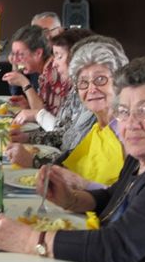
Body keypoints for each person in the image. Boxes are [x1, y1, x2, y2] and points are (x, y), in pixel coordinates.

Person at [0, 57, 145, 262]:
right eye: (124, 112)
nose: (131, 124)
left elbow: (118, 246)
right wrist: (73, 199)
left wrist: (30, 240)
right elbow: (115, 195)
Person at [8, 41, 128, 188]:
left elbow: (124, 197)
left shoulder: (127, 133)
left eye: (100, 79)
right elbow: (71, 165)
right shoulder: (99, 129)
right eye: (83, 82)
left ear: (119, 82)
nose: (91, 89)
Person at [3, 24, 69, 118]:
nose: (15, 60)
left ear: (38, 53)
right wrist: (28, 105)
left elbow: (42, 117)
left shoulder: (54, 72)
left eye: (20, 54)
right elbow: (46, 110)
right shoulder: (45, 70)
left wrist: (25, 83)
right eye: (14, 54)